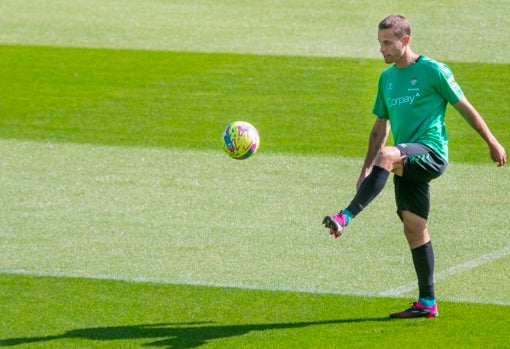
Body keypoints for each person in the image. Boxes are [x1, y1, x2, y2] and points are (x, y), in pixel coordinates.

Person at [322, 14, 506, 319]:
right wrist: (366, 168)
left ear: (404, 40)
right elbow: (380, 127)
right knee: (414, 228)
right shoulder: (387, 78)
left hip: (430, 153)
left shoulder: (433, 71)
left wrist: (492, 142)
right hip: (406, 158)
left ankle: (346, 215)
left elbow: (465, 108)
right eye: (379, 43)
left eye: (387, 43)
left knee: (388, 156)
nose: (381, 50)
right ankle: (427, 303)